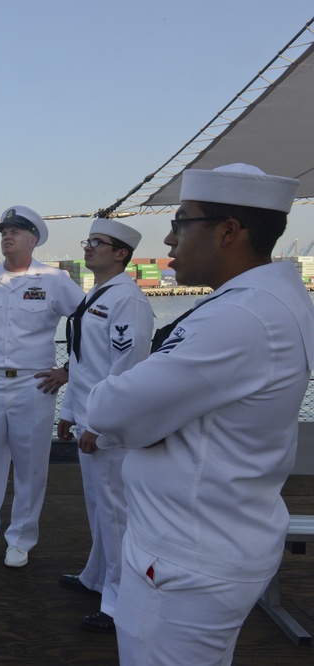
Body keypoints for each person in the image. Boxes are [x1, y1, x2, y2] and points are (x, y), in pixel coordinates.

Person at [86, 164, 314, 664]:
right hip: (209, 539)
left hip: (182, 560)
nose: (168, 239)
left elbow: (111, 409)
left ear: (229, 231)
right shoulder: (273, 300)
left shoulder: (240, 316)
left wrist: (120, 403)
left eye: (182, 222)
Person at [0, 206, 84, 566]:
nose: (6, 236)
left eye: (15, 231)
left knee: (30, 464)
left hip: (36, 383)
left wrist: (68, 370)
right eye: (3, 231)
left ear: (33, 240)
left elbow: (87, 321)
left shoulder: (54, 280)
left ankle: (21, 539)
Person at [56, 219, 154, 633]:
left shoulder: (127, 300)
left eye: (99, 242)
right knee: (98, 508)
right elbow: (84, 365)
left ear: (120, 254)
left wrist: (102, 425)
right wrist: (70, 412)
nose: (89, 247)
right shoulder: (97, 294)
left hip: (106, 430)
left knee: (114, 513)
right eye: (89, 241)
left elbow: (127, 369)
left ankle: (117, 603)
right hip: (88, 420)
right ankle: (96, 578)